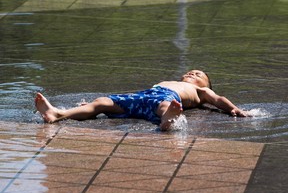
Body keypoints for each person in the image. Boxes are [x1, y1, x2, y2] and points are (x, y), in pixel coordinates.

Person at [35, 70, 249, 131]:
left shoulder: (200, 91)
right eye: (190, 72)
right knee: (101, 102)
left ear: (205, 84)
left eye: (198, 74)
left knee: (165, 106)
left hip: (167, 99)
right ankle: (58, 114)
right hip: (142, 96)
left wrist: (234, 109)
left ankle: (168, 120)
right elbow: (140, 92)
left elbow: (219, 99)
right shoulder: (168, 80)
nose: (192, 74)